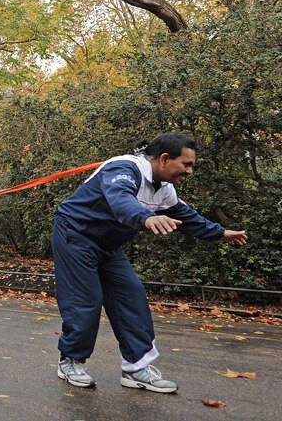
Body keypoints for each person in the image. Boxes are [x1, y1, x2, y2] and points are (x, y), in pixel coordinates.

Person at [53, 133, 248, 393]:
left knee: (131, 297)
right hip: (75, 236)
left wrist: (221, 233)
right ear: (165, 159)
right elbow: (120, 199)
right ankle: (70, 361)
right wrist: (144, 217)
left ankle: (136, 368)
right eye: (186, 165)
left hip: (109, 246)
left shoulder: (165, 190)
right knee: (85, 299)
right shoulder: (123, 168)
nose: (190, 172)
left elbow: (186, 216)